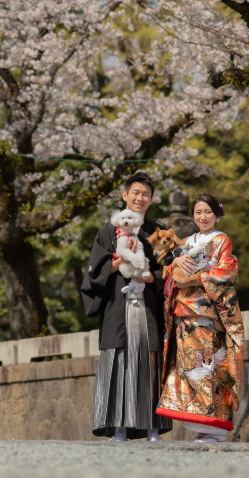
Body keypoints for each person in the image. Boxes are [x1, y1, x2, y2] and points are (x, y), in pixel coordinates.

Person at [80, 171, 172, 442]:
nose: (140, 198)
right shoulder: (108, 231)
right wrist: (121, 261)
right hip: (117, 307)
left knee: (150, 363)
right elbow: (94, 273)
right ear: (125, 195)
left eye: (146, 194)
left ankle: (152, 428)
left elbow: (168, 271)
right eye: (136, 193)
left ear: (152, 199)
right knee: (118, 362)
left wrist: (150, 277)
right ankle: (117, 428)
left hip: (148, 306)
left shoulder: (158, 232)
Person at [155, 193, 244, 443]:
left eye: (208, 212)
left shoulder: (222, 240)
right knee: (188, 369)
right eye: (198, 212)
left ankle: (215, 429)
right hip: (183, 314)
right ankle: (201, 427)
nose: (203, 217)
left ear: (217, 214)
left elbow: (227, 272)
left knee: (209, 368)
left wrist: (195, 278)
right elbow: (168, 271)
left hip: (207, 314)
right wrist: (175, 263)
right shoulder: (186, 241)